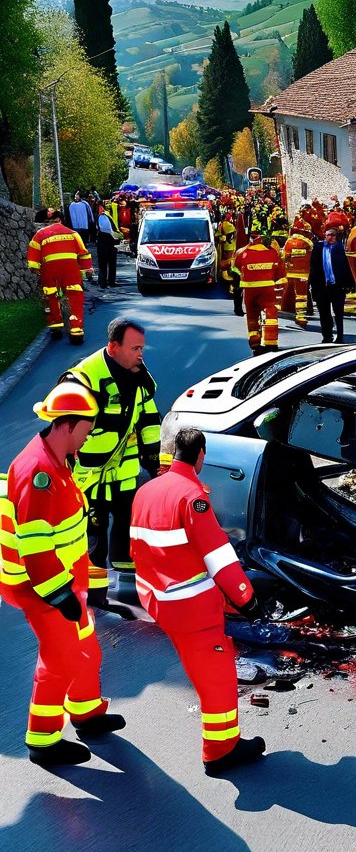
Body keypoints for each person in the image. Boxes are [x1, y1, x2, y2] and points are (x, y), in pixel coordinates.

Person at [1, 380, 126, 766]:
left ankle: (86, 714)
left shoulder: (58, 458)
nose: (88, 438)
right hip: (42, 586)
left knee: (85, 647)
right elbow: (35, 548)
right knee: (61, 658)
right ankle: (43, 742)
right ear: (66, 425)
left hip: (68, 578)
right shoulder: (38, 473)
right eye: (86, 429)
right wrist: (59, 595)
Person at [131, 428, 266, 775]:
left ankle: (221, 746)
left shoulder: (146, 491)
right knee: (217, 677)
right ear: (201, 455)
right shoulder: (193, 498)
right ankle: (220, 751)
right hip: (190, 608)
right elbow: (219, 557)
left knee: (199, 668)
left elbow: (140, 549)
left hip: (157, 598)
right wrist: (247, 601)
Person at [69, 318, 160, 603]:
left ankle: (128, 587)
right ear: (113, 347)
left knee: (127, 528)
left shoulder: (137, 375)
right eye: (135, 348)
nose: (140, 354)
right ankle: (94, 596)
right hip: (91, 478)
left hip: (124, 473)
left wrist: (153, 458)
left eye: (142, 348)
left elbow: (148, 418)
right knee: (93, 536)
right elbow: (65, 432)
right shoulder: (83, 379)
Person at [27, 208, 94, 344]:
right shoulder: (73, 234)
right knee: (75, 298)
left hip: (49, 271)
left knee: (51, 296)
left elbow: (33, 260)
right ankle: (76, 332)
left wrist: (37, 270)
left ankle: (56, 328)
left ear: (45, 222)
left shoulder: (40, 235)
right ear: (60, 220)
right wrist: (87, 269)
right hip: (71, 271)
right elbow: (84, 253)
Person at [233, 230, 285, 355]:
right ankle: (271, 343)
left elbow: (236, 270)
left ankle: (254, 341)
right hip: (267, 289)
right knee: (270, 314)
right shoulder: (272, 253)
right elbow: (280, 272)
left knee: (251, 315)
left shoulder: (241, 252)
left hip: (249, 290)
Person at [309, 225, 350, 343]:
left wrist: (348, 284)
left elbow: (346, 268)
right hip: (322, 286)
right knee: (324, 313)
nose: (331, 237)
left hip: (337, 287)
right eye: (328, 235)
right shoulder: (318, 247)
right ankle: (327, 336)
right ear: (324, 236)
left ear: (337, 237)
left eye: (333, 235)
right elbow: (313, 268)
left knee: (338, 313)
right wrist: (312, 286)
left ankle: (340, 336)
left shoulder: (340, 249)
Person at [281, 219, 314, 329]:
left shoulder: (288, 241)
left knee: (288, 293)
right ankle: (301, 315)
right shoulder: (308, 243)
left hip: (288, 272)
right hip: (303, 273)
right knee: (301, 295)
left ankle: (287, 311)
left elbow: (284, 256)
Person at [95, 202, 121, 289]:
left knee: (108, 262)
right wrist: (115, 234)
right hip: (106, 240)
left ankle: (108, 282)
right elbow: (105, 228)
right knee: (106, 263)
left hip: (107, 241)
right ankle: (105, 282)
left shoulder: (104, 215)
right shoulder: (103, 216)